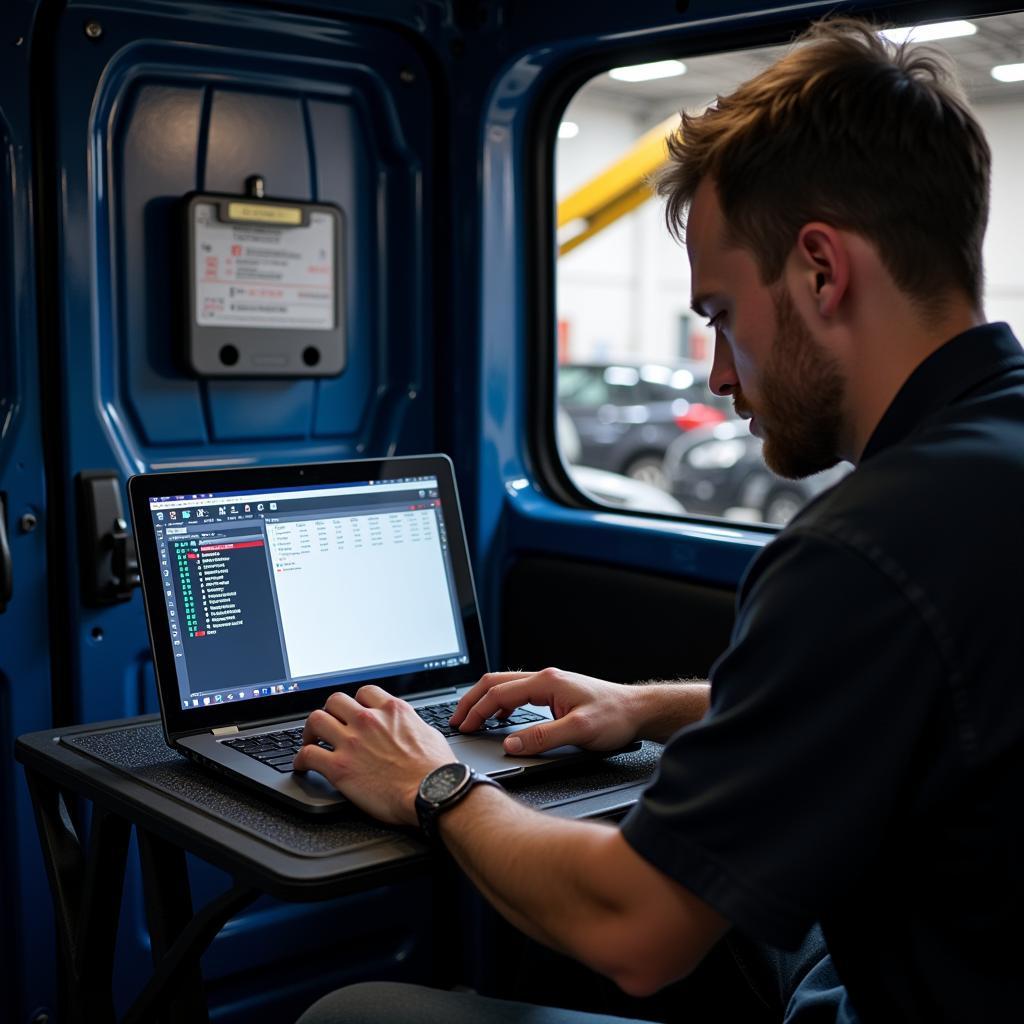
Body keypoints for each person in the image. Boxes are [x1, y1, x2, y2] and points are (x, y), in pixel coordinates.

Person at [295, 17, 1024, 1023]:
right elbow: (940, 701)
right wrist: (650, 706)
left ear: (821, 270)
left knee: (354, 1016)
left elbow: (634, 932)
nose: (720, 375)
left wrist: (430, 782)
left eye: (721, 315)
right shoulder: (987, 467)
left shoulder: (865, 550)